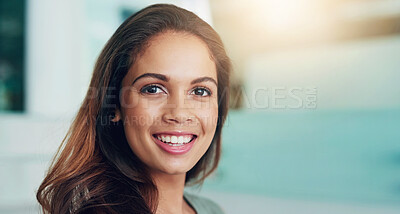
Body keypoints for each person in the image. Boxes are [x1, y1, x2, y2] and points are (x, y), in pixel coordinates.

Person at [36, 3, 231, 214]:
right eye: (153, 89)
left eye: (200, 91)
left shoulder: (212, 210)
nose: (179, 114)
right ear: (114, 104)